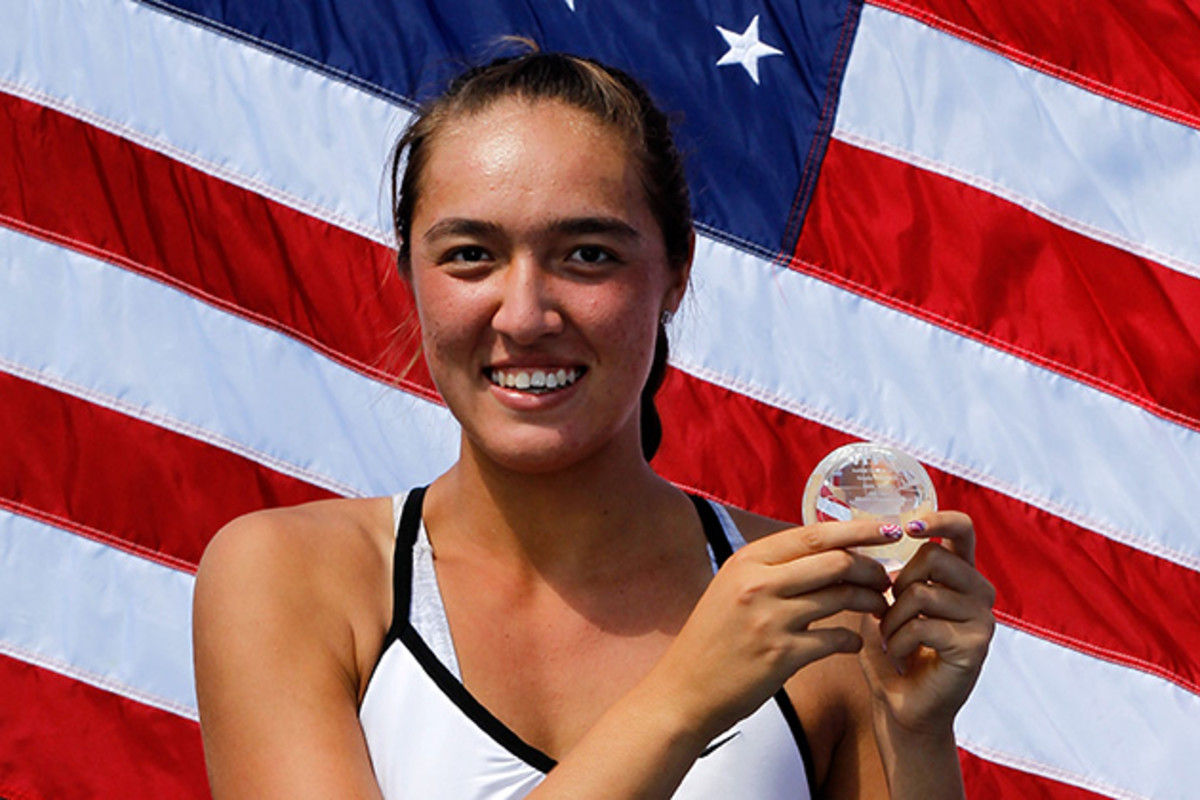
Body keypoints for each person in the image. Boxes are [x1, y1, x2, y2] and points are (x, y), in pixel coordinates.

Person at [193, 48, 995, 799]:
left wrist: (915, 736)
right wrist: (686, 697)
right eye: (471, 254)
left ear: (678, 271)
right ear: (408, 274)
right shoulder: (290, 578)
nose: (526, 314)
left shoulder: (820, 607)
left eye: (588, 256)